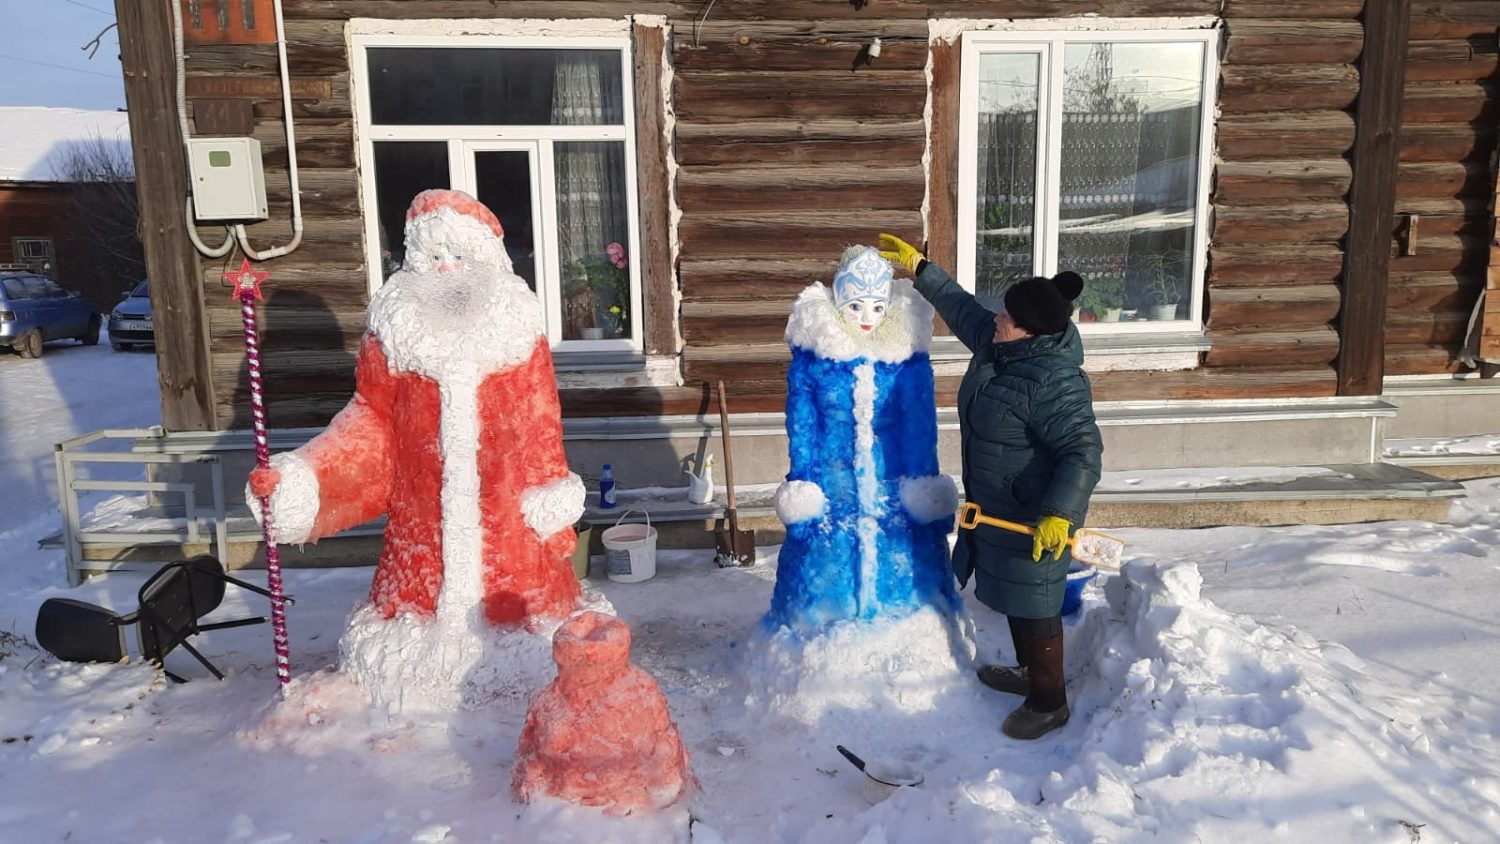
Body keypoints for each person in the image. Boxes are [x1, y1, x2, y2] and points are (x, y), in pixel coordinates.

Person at [877, 233, 1104, 740]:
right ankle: (1028, 675)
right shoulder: (1005, 347)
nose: (997, 317)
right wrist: (922, 269)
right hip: (1000, 506)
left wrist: (1059, 515)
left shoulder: (1054, 381)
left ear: (1027, 332)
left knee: (1037, 604)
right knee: (1016, 598)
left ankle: (1050, 702)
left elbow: (1083, 451)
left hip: (1036, 515)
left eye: (1007, 315)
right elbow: (963, 310)